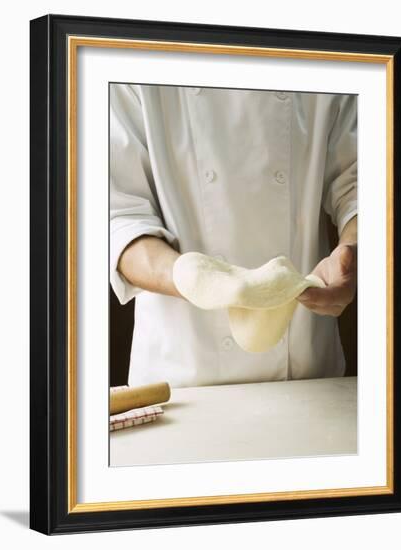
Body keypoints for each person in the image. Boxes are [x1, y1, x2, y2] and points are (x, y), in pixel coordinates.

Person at [110, 84, 357, 388]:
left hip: (306, 379)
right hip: (180, 380)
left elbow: (362, 183)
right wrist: (196, 278)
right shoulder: (135, 58)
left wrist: (352, 251)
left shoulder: (326, 52)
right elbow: (119, 217)